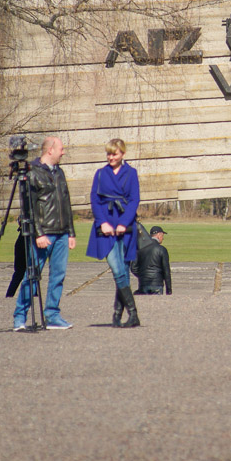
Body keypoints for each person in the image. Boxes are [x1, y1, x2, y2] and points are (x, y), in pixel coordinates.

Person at [14, 136, 77, 331]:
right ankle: (19, 317)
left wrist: (71, 232)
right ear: (50, 150)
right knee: (32, 275)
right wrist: (39, 234)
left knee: (58, 275)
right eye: (61, 148)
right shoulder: (33, 173)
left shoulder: (60, 173)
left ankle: (52, 315)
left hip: (62, 233)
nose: (63, 152)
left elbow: (66, 203)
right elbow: (29, 207)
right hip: (44, 234)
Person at [86, 138, 141, 328]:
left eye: (114, 154)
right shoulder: (100, 174)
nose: (111, 157)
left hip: (125, 227)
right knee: (117, 269)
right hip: (106, 227)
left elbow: (134, 199)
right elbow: (95, 200)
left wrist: (124, 222)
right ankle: (133, 314)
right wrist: (103, 223)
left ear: (122, 154)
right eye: (108, 154)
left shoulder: (131, 173)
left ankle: (118, 314)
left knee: (124, 270)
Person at [135, 226, 172, 295]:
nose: (163, 238)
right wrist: (169, 290)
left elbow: (133, 267)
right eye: (162, 236)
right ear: (159, 235)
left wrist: (143, 276)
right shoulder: (162, 249)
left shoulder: (141, 248)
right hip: (157, 284)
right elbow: (166, 271)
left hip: (143, 283)